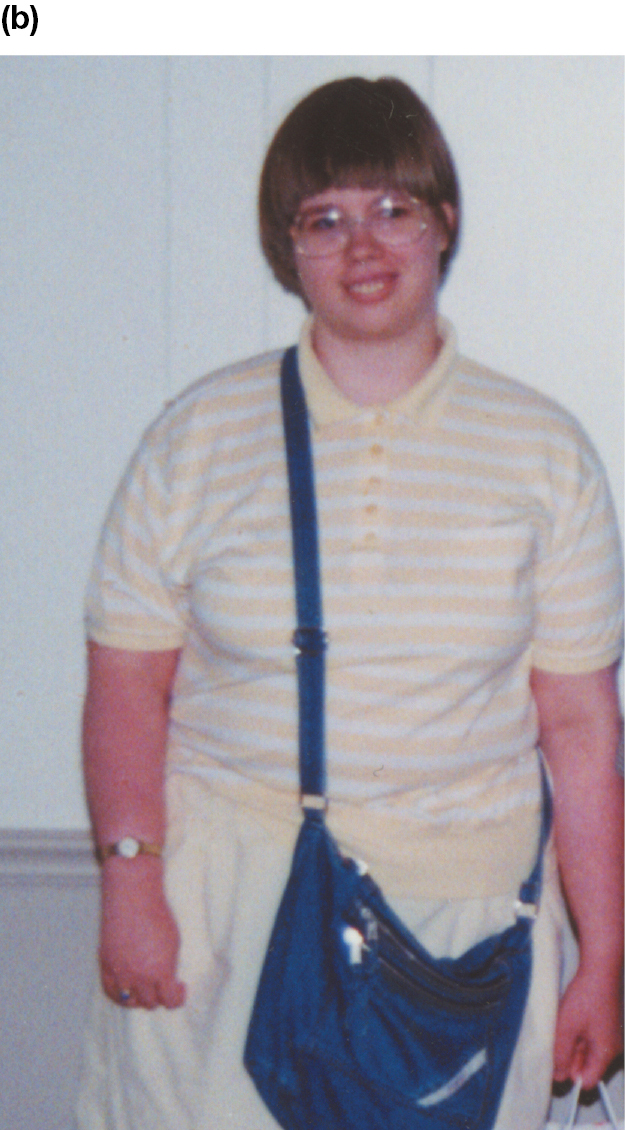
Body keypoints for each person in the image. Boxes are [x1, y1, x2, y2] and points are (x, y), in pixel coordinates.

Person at [77, 76, 623, 1130]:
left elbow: (582, 730)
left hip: (456, 927)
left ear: (442, 225)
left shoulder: (543, 454)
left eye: (392, 208)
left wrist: (603, 952)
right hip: (221, 912)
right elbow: (126, 681)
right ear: (289, 248)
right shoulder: (197, 437)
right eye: (323, 219)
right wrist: (129, 881)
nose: (361, 246)